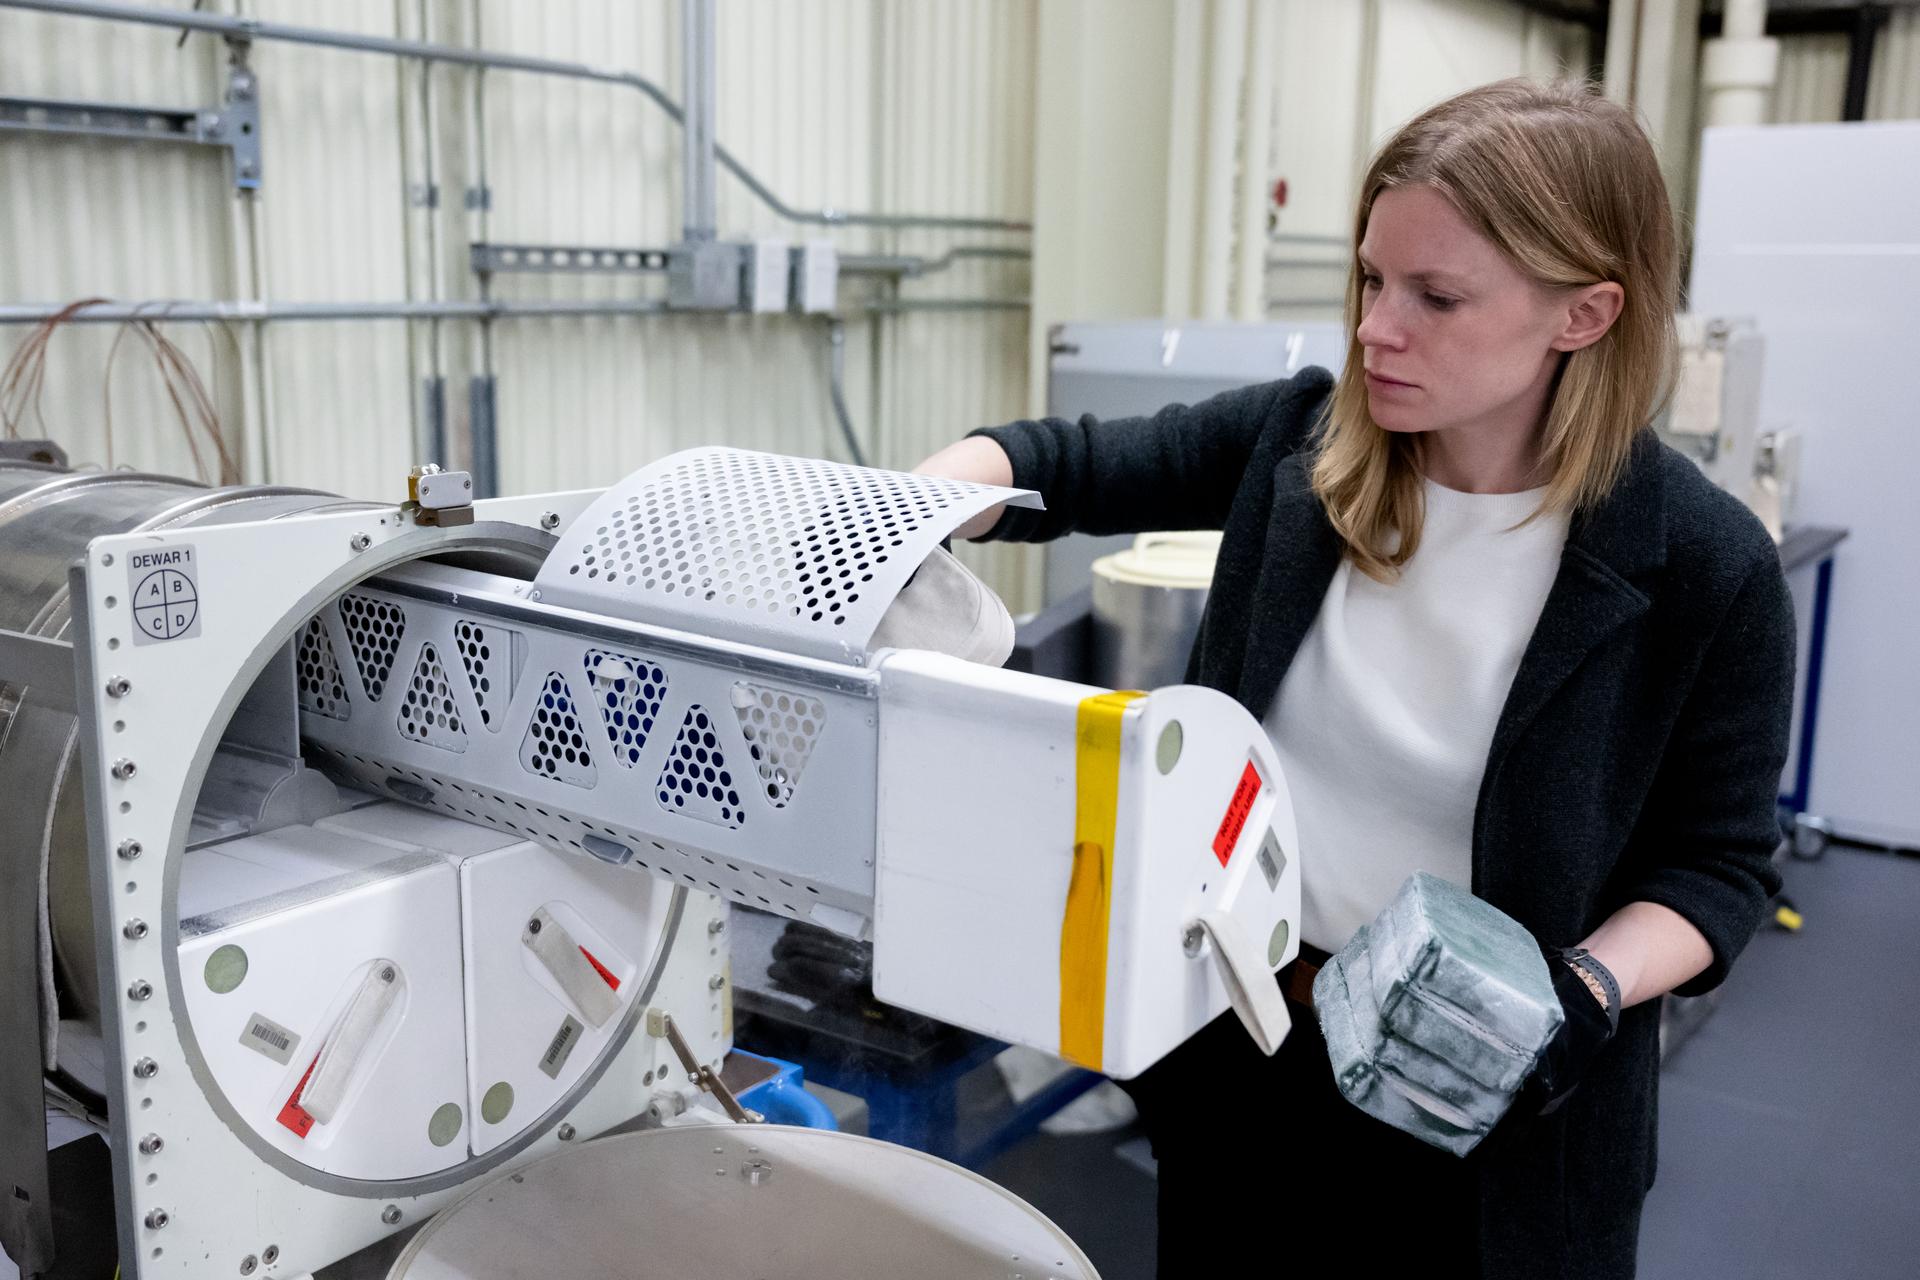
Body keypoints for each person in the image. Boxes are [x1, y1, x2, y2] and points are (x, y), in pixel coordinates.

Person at [913, 79, 1794, 1279]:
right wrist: (890, 514)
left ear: (1584, 314)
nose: (1377, 327)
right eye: (1372, 279)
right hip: (1253, 1055)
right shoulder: (1302, 447)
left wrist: (1589, 987)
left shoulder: (1704, 564)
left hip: (1495, 1121)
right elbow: (1058, 465)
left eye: (1435, 295)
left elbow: (1718, 864)